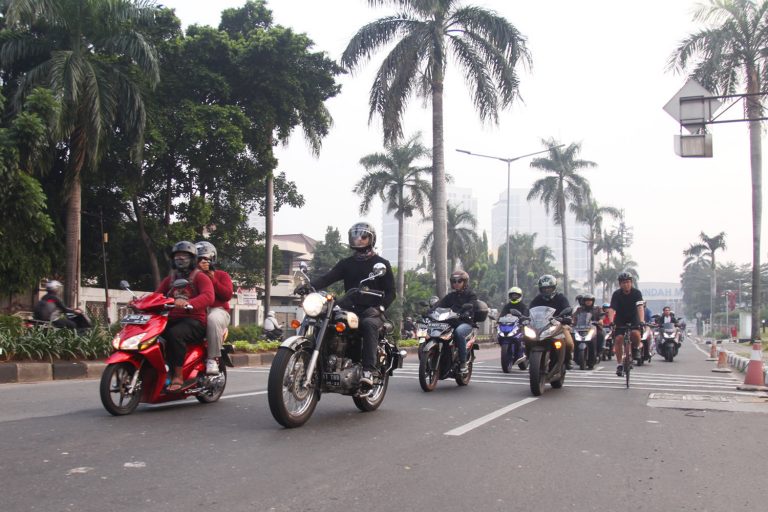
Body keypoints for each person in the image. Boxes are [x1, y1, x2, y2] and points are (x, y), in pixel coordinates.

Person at [297, 222, 395, 387]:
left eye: (363, 236)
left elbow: (391, 292)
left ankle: (368, 371)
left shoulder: (381, 264)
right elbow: (328, 278)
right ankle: (323, 364)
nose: (359, 239)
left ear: (371, 239)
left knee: (368, 324)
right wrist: (308, 286)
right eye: (355, 236)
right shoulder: (346, 263)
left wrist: (380, 308)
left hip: (372, 311)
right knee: (325, 320)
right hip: (349, 308)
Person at [156, 241, 214, 391]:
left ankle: (178, 376)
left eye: (184, 256)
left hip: (195, 321)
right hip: (173, 318)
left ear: (193, 259)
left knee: (174, 334)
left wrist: (189, 303)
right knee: (153, 334)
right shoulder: (170, 279)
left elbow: (208, 296)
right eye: (177, 256)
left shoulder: (200, 277)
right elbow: (157, 295)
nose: (180, 259)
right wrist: (138, 302)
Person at [196, 241, 233, 375]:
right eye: (199, 259)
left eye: (205, 259)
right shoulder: (190, 277)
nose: (202, 262)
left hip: (217, 310)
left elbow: (227, 295)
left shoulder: (222, 275)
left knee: (213, 319)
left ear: (212, 260)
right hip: (195, 310)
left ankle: (212, 359)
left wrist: (211, 277)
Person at [436, 269, 478, 375]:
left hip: (465, 323)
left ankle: (463, 363)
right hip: (451, 322)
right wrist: (429, 311)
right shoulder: (451, 296)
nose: (456, 283)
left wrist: (466, 312)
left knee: (459, 333)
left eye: (459, 281)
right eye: (454, 281)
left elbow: (472, 305)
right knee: (437, 331)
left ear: (465, 282)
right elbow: (439, 305)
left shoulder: (471, 295)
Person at [529, 274, 574, 370]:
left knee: (569, 343)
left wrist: (566, 318)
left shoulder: (561, 298)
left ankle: (567, 360)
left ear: (554, 287)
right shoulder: (538, 299)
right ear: (540, 289)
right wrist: (525, 318)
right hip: (541, 326)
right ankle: (529, 356)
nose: (546, 290)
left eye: (549, 288)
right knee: (527, 337)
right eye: (544, 288)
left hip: (558, 325)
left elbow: (567, 309)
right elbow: (530, 310)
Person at [606, 272, 645, 377]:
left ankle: (636, 348)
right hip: (620, 318)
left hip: (633, 317)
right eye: (623, 283)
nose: (626, 284)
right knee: (618, 339)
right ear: (620, 284)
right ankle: (619, 364)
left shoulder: (637, 293)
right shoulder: (616, 294)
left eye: (628, 282)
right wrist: (611, 321)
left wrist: (642, 321)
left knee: (635, 334)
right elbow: (612, 309)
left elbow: (640, 307)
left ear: (631, 283)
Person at [573, 292, 603, 365]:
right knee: (573, 337)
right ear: (584, 301)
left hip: (594, 328)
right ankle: (576, 357)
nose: (588, 302)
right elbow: (574, 316)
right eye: (587, 300)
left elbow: (602, 316)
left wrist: (600, 320)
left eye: (590, 300)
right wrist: (573, 321)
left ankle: (598, 352)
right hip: (581, 328)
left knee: (601, 335)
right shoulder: (579, 309)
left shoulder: (597, 308)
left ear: (593, 301)